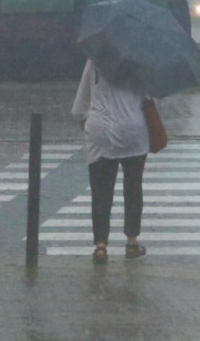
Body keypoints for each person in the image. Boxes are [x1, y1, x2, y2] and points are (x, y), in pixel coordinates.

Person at [72, 59, 150, 264]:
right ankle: (132, 242)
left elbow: (82, 100)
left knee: (101, 190)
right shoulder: (139, 61)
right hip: (134, 131)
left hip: (101, 130)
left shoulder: (94, 60)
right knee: (133, 187)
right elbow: (150, 99)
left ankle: (100, 246)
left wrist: (86, 120)